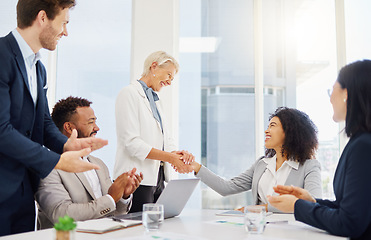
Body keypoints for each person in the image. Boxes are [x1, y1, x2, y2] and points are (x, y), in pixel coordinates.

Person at [0, 0, 108, 236]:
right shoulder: (1, 56)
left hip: (24, 191)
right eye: (64, 23)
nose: (66, 32)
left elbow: (44, 122)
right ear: (42, 18)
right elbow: (2, 131)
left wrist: (67, 144)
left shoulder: (39, 68)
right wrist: (57, 161)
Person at [268, 60, 371, 239]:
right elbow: (351, 208)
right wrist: (311, 202)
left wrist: (296, 206)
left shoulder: (363, 146)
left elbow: (349, 223)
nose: (330, 98)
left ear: (346, 94)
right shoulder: (359, 141)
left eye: (332, 91)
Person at [35, 97, 143, 229]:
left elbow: (114, 212)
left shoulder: (99, 165)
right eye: (91, 122)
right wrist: (110, 198)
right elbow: (61, 215)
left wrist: (123, 196)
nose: (97, 128)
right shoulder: (49, 166)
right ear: (69, 127)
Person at [190, 107, 322, 212]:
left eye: (273, 126)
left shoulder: (309, 166)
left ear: (290, 132)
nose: (266, 131)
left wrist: (259, 209)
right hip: (259, 229)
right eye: (268, 126)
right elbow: (227, 187)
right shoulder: (262, 164)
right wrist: (195, 166)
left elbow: (314, 203)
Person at [114, 51, 194, 213]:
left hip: (158, 178)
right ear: (154, 66)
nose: (170, 82)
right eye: (169, 75)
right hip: (135, 179)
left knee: (158, 227)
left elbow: (165, 138)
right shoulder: (128, 93)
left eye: (172, 78)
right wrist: (170, 157)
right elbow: (131, 143)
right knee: (136, 231)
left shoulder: (156, 102)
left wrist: (177, 154)